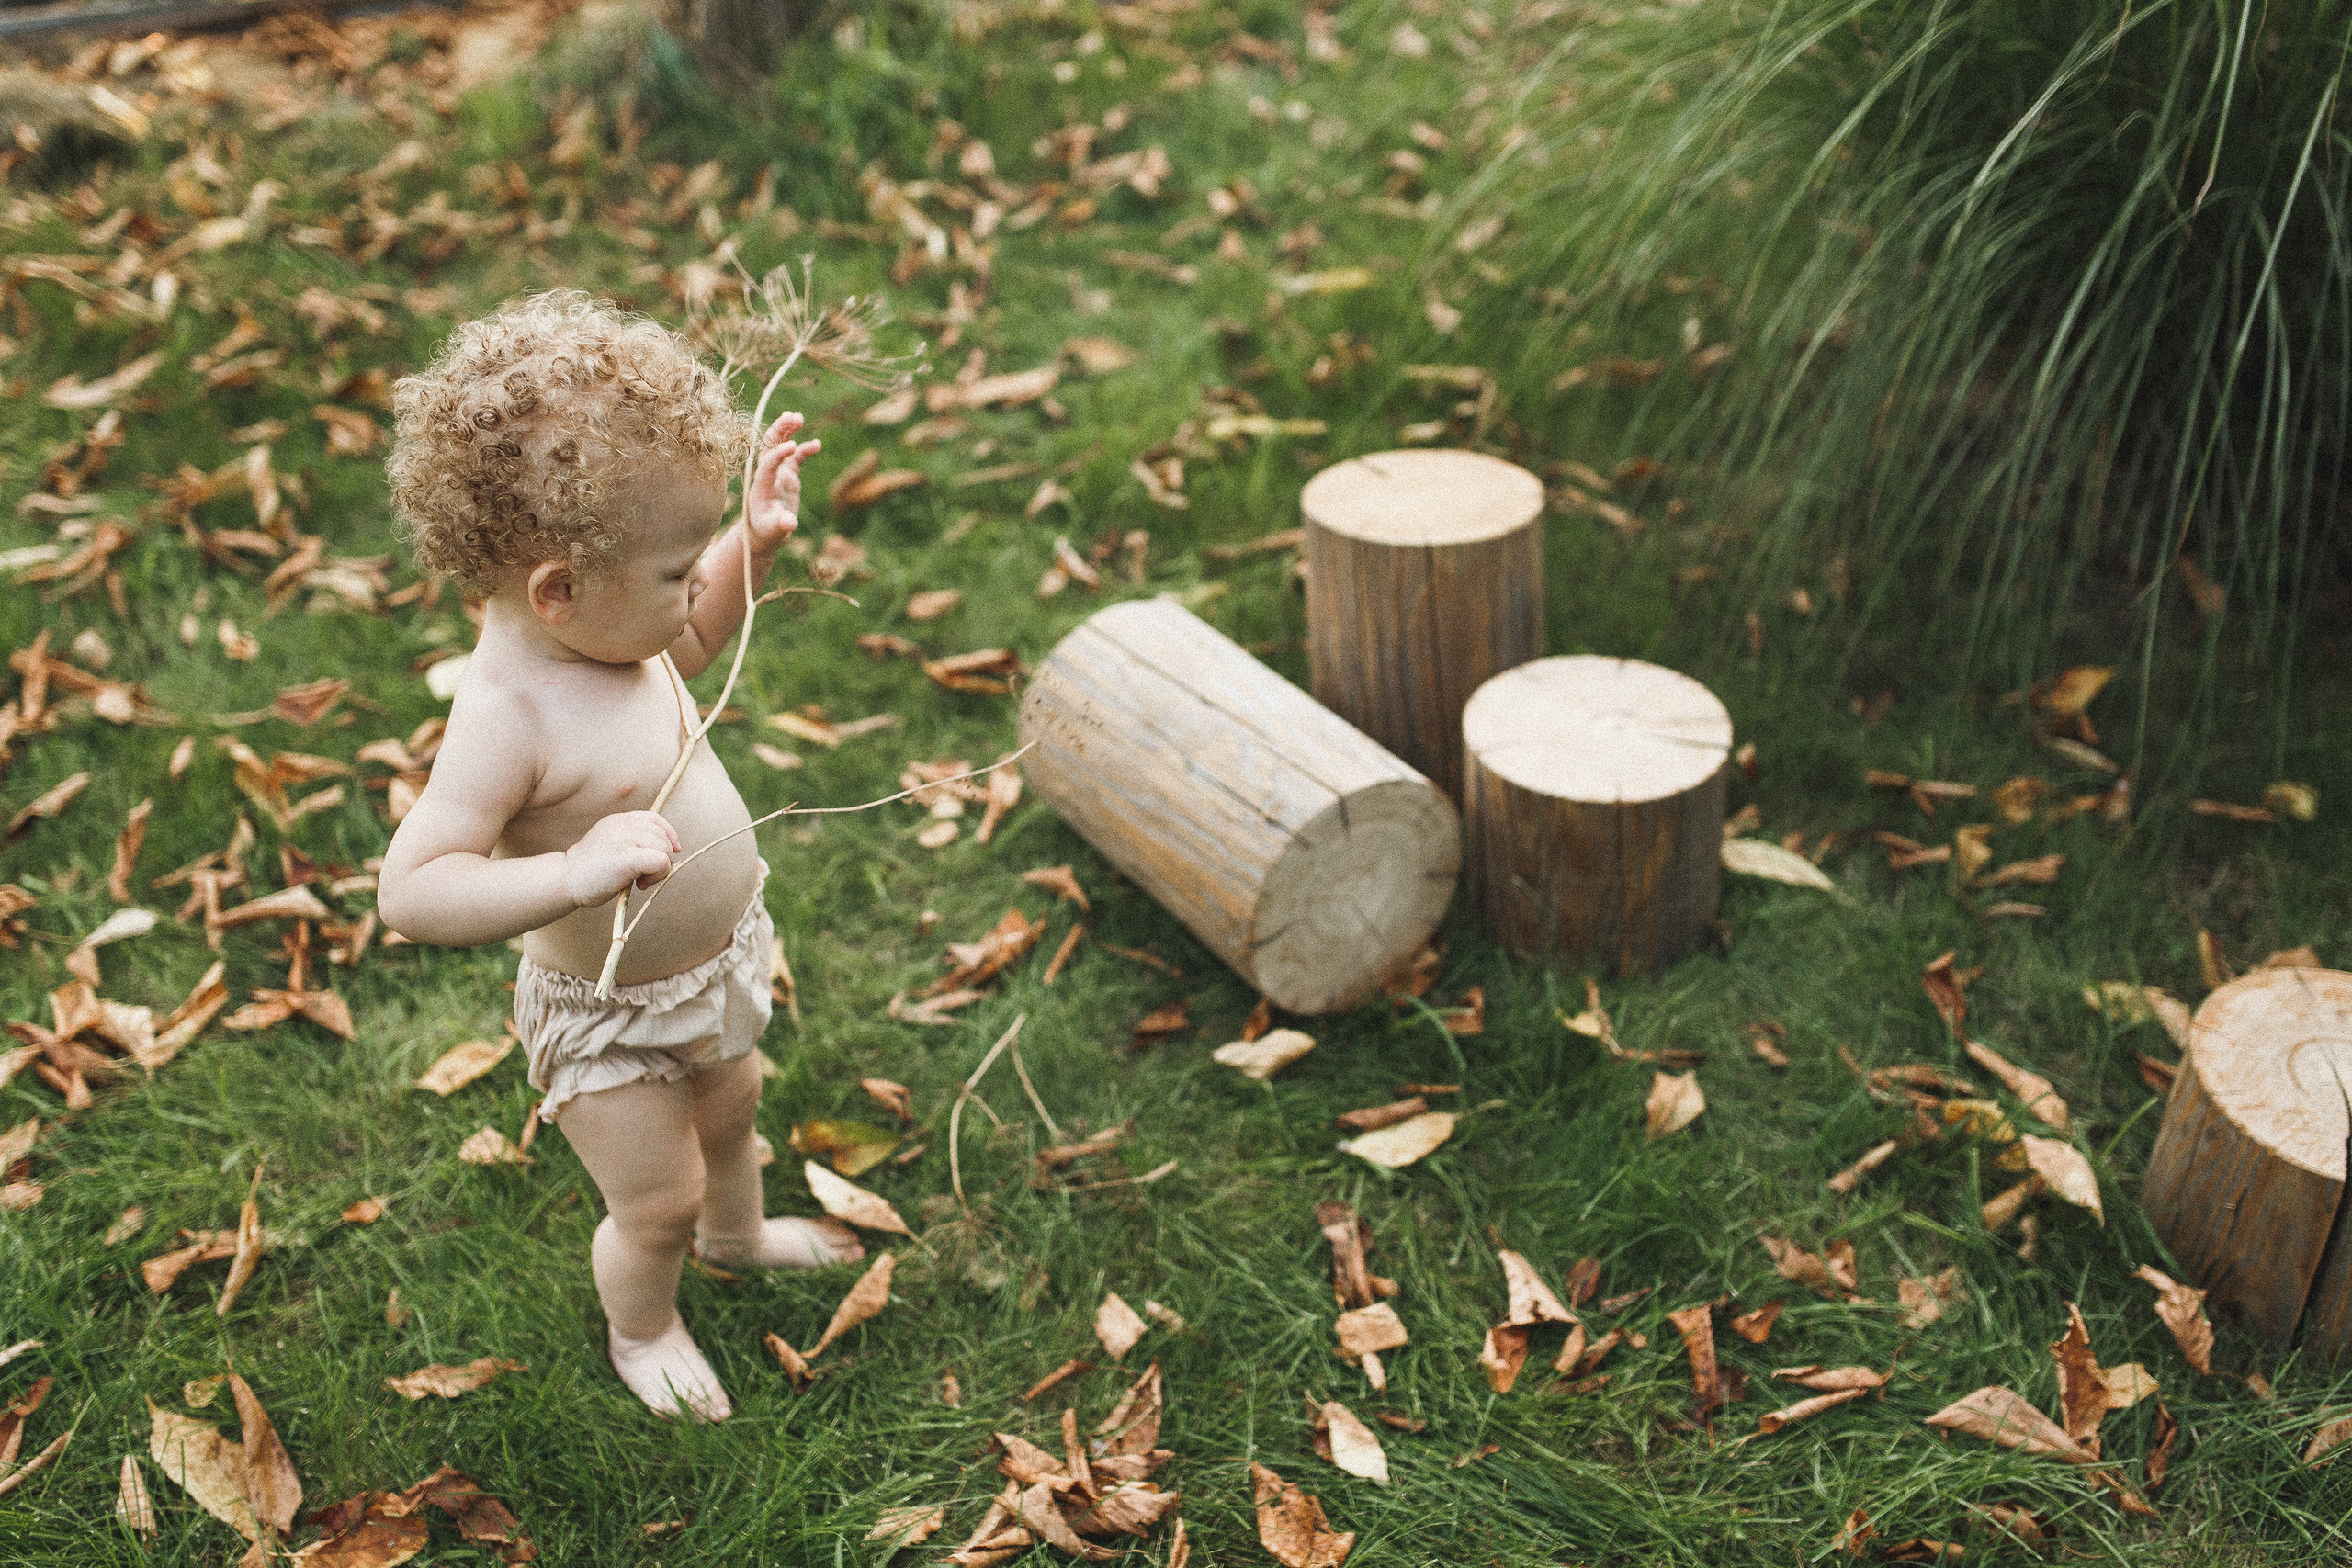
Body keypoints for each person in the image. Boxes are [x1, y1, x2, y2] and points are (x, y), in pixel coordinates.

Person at [377, 291, 861, 1422]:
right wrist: (571, 871)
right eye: (675, 568)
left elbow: (691, 637)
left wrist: (747, 547)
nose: (691, 593)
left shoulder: (614, 626)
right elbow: (412, 890)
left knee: (735, 1111)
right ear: (559, 588)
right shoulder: (508, 714)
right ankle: (644, 1328)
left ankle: (738, 1241)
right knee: (658, 1200)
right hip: (611, 1015)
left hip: (709, 966)